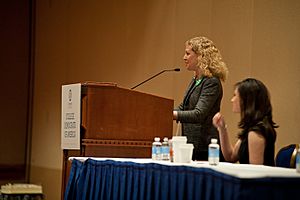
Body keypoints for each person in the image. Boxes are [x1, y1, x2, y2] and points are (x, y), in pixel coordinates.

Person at [173, 36, 228, 161]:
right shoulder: (196, 79)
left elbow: (199, 114)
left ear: (200, 56)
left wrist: (173, 115)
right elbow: (184, 106)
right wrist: (164, 112)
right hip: (193, 145)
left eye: (188, 53)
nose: (184, 57)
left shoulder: (211, 82)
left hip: (205, 147)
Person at [212, 78, 278, 166]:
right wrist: (222, 128)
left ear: (246, 100)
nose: (232, 100)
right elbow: (231, 156)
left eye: (235, 95)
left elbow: (256, 172)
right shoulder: (250, 129)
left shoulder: (256, 132)